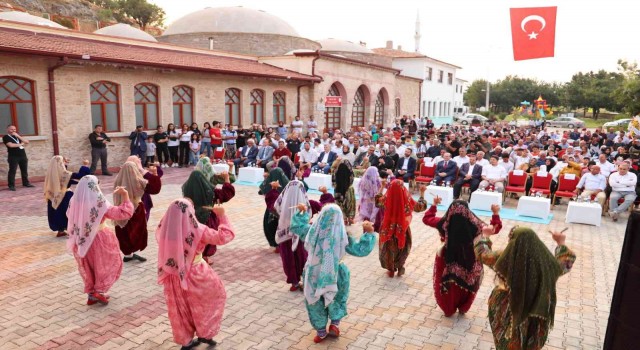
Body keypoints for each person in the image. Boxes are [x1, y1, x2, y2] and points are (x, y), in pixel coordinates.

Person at [475, 227, 576, 350]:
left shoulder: (506, 257)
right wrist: (561, 242)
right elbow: (566, 262)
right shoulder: (546, 263)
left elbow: (482, 253)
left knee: (508, 342)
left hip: (511, 310)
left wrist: (485, 235)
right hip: (536, 310)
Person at [290, 203, 376, 343]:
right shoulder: (344, 237)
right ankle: (335, 325)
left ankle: (321, 331)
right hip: (337, 273)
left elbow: (296, 226)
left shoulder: (312, 231)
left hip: (314, 272)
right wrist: (369, 233)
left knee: (315, 300)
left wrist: (302, 212)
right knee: (337, 298)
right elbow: (361, 249)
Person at [156, 199, 235, 350]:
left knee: (180, 309)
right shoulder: (198, 230)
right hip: (196, 274)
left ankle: (186, 341)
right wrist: (222, 216)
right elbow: (225, 236)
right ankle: (205, 332)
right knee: (209, 300)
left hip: (173, 275)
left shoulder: (165, 228)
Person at [423, 199, 502, 316]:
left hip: (448, 259)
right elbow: (493, 229)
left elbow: (427, 219)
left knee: (451, 284)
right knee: (468, 282)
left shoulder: (444, 223)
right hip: (470, 260)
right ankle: (463, 307)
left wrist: (434, 205)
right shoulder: (476, 225)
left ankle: (449, 308)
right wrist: (495, 213)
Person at [66, 176, 133, 305]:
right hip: (99, 239)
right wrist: (125, 196)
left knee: (90, 266)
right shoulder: (98, 201)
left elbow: (69, 216)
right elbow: (122, 213)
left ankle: (92, 294)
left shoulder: (74, 200)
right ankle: (98, 291)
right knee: (104, 265)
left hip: (82, 239)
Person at [377, 180, 427, 277]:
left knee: (388, 248)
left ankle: (390, 269)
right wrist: (422, 193)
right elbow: (419, 207)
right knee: (402, 246)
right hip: (402, 227)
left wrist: (382, 187)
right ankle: (400, 267)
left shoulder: (387, 198)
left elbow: (377, 201)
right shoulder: (407, 199)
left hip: (388, 227)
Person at [190, 158, 236, 261]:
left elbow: (227, 180)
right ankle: (203, 258)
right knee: (208, 237)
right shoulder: (209, 190)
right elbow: (226, 194)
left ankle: (198, 257)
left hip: (192, 216)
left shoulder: (192, 183)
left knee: (196, 236)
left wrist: (230, 168)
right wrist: (227, 178)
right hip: (207, 216)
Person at [113, 161, 158, 262]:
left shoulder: (117, 180)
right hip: (136, 209)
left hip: (121, 210)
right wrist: (154, 174)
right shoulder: (138, 181)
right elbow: (155, 188)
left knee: (124, 232)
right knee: (136, 231)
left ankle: (128, 254)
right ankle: (131, 253)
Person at [274, 180, 311, 291]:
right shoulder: (304, 203)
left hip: (285, 233)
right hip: (300, 235)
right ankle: (306, 282)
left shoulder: (284, 196)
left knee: (288, 258)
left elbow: (277, 206)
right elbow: (309, 214)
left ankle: (294, 283)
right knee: (302, 257)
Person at [44, 156, 90, 237]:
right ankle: (73, 231)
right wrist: (85, 166)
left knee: (57, 213)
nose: (63, 163)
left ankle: (60, 230)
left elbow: (64, 178)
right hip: (65, 196)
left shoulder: (51, 173)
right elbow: (81, 175)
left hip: (54, 196)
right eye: (62, 162)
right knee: (69, 212)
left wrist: (66, 164)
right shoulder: (64, 174)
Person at [259, 168, 290, 250]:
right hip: (282, 211)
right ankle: (279, 245)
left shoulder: (272, 192)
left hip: (272, 211)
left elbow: (262, 191)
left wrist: (272, 188)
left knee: (271, 226)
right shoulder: (287, 185)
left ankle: (277, 245)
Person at [3, 125, 34, 190]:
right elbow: (10, 145)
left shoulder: (17, 136)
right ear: (8, 130)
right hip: (13, 156)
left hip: (22, 155)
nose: (13, 131)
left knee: (24, 170)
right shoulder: (6, 137)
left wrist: (18, 136)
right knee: (12, 171)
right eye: (11, 129)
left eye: (14, 129)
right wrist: (21, 144)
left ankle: (26, 183)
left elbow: (27, 142)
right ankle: (11, 185)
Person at [333, 160, 356, 225]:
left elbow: (333, 182)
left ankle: (343, 218)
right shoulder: (350, 174)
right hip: (348, 189)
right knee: (350, 204)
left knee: (339, 204)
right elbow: (352, 180)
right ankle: (350, 218)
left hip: (338, 189)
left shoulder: (336, 173)